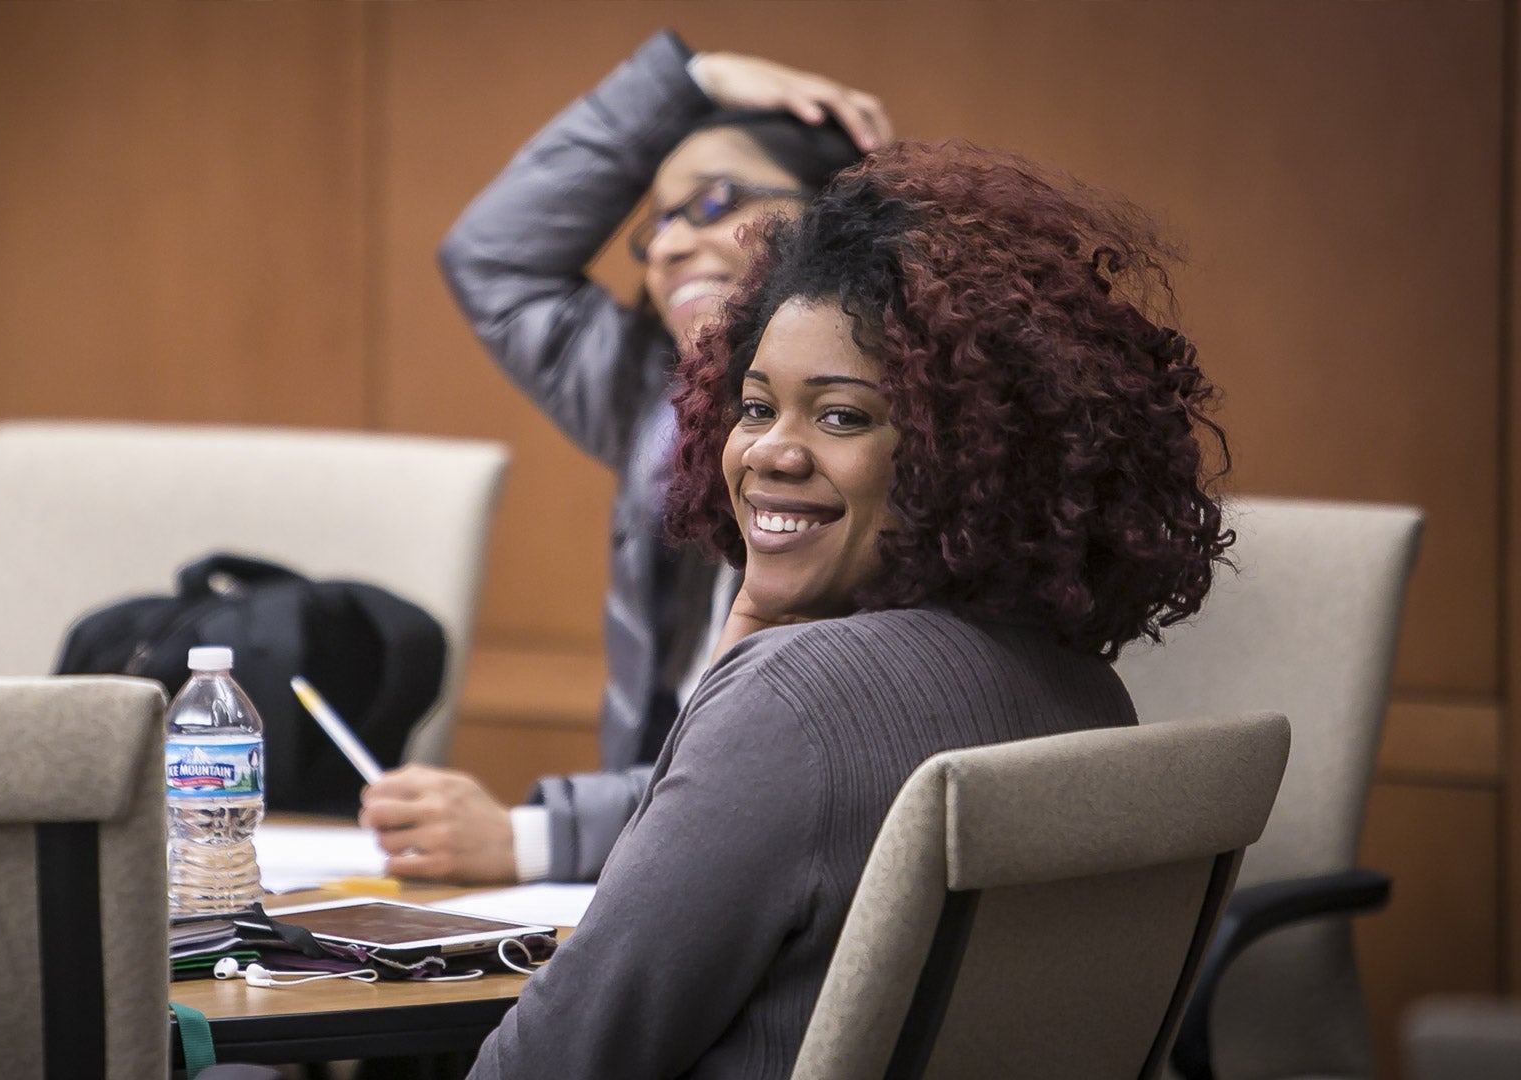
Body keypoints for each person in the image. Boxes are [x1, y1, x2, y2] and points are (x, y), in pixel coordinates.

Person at [465, 138, 1234, 1079]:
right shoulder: (1086, 694)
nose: (770, 455)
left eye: (842, 417)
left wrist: (749, 667)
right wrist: (744, 639)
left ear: (972, 452)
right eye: (755, 407)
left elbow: (550, 1062)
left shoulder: (792, 708)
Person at [359, 30, 889, 885]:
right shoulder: (660, 407)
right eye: (657, 227)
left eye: (714, 202)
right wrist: (683, 80)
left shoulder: (886, 450)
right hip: (653, 874)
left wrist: (534, 839)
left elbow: (789, 777)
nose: (671, 246)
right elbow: (494, 259)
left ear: (836, 225)